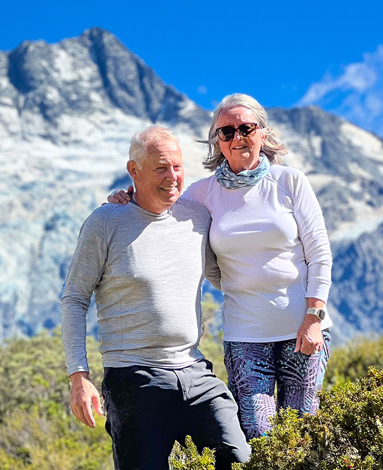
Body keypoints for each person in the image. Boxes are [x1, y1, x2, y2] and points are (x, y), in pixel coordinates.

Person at [109, 93, 334, 440]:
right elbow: (159, 206)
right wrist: (128, 197)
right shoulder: (202, 194)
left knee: (300, 438)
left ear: (262, 132)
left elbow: (319, 252)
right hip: (245, 336)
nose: (237, 137)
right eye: (226, 132)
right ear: (217, 141)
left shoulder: (290, 182)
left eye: (246, 128)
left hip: (302, 330)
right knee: (258, 438)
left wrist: (313, 317)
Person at [62, 125, 250, 469]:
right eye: (161, 168)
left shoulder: (197, 217)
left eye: (177, 166)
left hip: (195, 372)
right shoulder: (106, 222)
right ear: (134, 171)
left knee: (239, 458)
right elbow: (74, 298)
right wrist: (79, 376)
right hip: (133, 378)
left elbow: (225, 277)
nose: (172, 177)